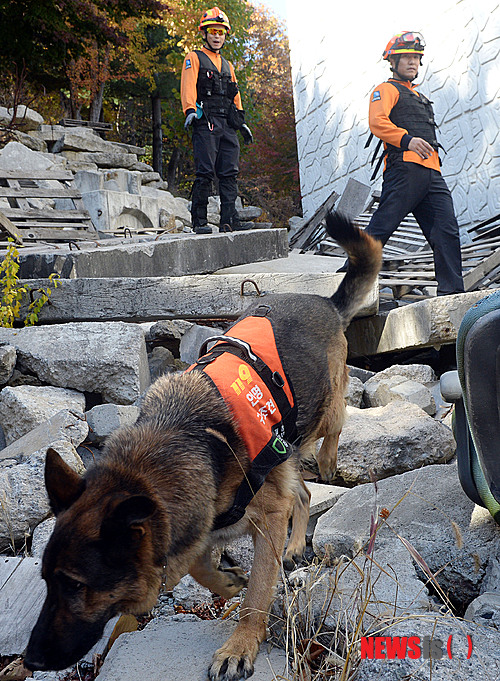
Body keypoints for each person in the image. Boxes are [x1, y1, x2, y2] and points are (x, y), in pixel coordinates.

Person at [341, 31, 464, 295]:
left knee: (447, 231)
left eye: (417, 58)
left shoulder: (420, 97)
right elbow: (377, 122)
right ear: (392, 62)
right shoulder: (385, 89)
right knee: (382, 228)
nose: (413, 63)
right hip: (404, 171)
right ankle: (344, 283)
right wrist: (406, 140)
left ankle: (452, 293)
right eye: (406, 57)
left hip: (432, 174)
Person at [181, 7, 253, 234]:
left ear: (225, 35)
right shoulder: (194, 57)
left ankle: (229, 220)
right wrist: (190, 110)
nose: (217, 36)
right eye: (212, 31)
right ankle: (199, 221)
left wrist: (241, 122)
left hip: (228, 125)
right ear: (205, 33)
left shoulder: (228, 65)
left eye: (221, 32)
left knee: (229, 173)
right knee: (205, 172)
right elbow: (188, 85)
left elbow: (235, 96)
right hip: (206, 122)